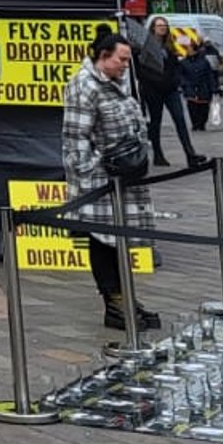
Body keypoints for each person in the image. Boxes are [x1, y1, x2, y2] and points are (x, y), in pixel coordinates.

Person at [61, 28, 158, 334]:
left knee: (118, 241)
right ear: (104, 56)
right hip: (100, 181)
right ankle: (114, 302)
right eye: (122, 59)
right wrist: (93, 171)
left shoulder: (117, 82)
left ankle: (125, 298)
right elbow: (75, 138)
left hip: (122, 178)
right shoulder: (84, 85)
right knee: (102, 241)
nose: (125, 65)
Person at [134, 17, 196, 170]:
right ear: (153, 28)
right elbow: (140, 70)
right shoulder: (144, 47)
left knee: (180, 119)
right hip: (153, 89)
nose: (162, 28)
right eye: (159, 25)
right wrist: (155, 80)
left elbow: (175, 67)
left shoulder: (170, 46)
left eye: (164, 25)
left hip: (171, 89)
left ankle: (190, 154)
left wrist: (175, 80)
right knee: (156, 121)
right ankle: (158, 154)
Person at [179, 35, 218, 136]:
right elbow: (181, 75)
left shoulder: (204, 62)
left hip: (203, 89)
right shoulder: (184, 62)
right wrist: (184, 84)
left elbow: (210, 75)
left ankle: (202, 124)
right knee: (192, 108)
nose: (188, 51)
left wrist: (214, 88)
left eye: (190, 49)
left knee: (203, 109)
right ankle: (195, 124)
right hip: (190, 89)